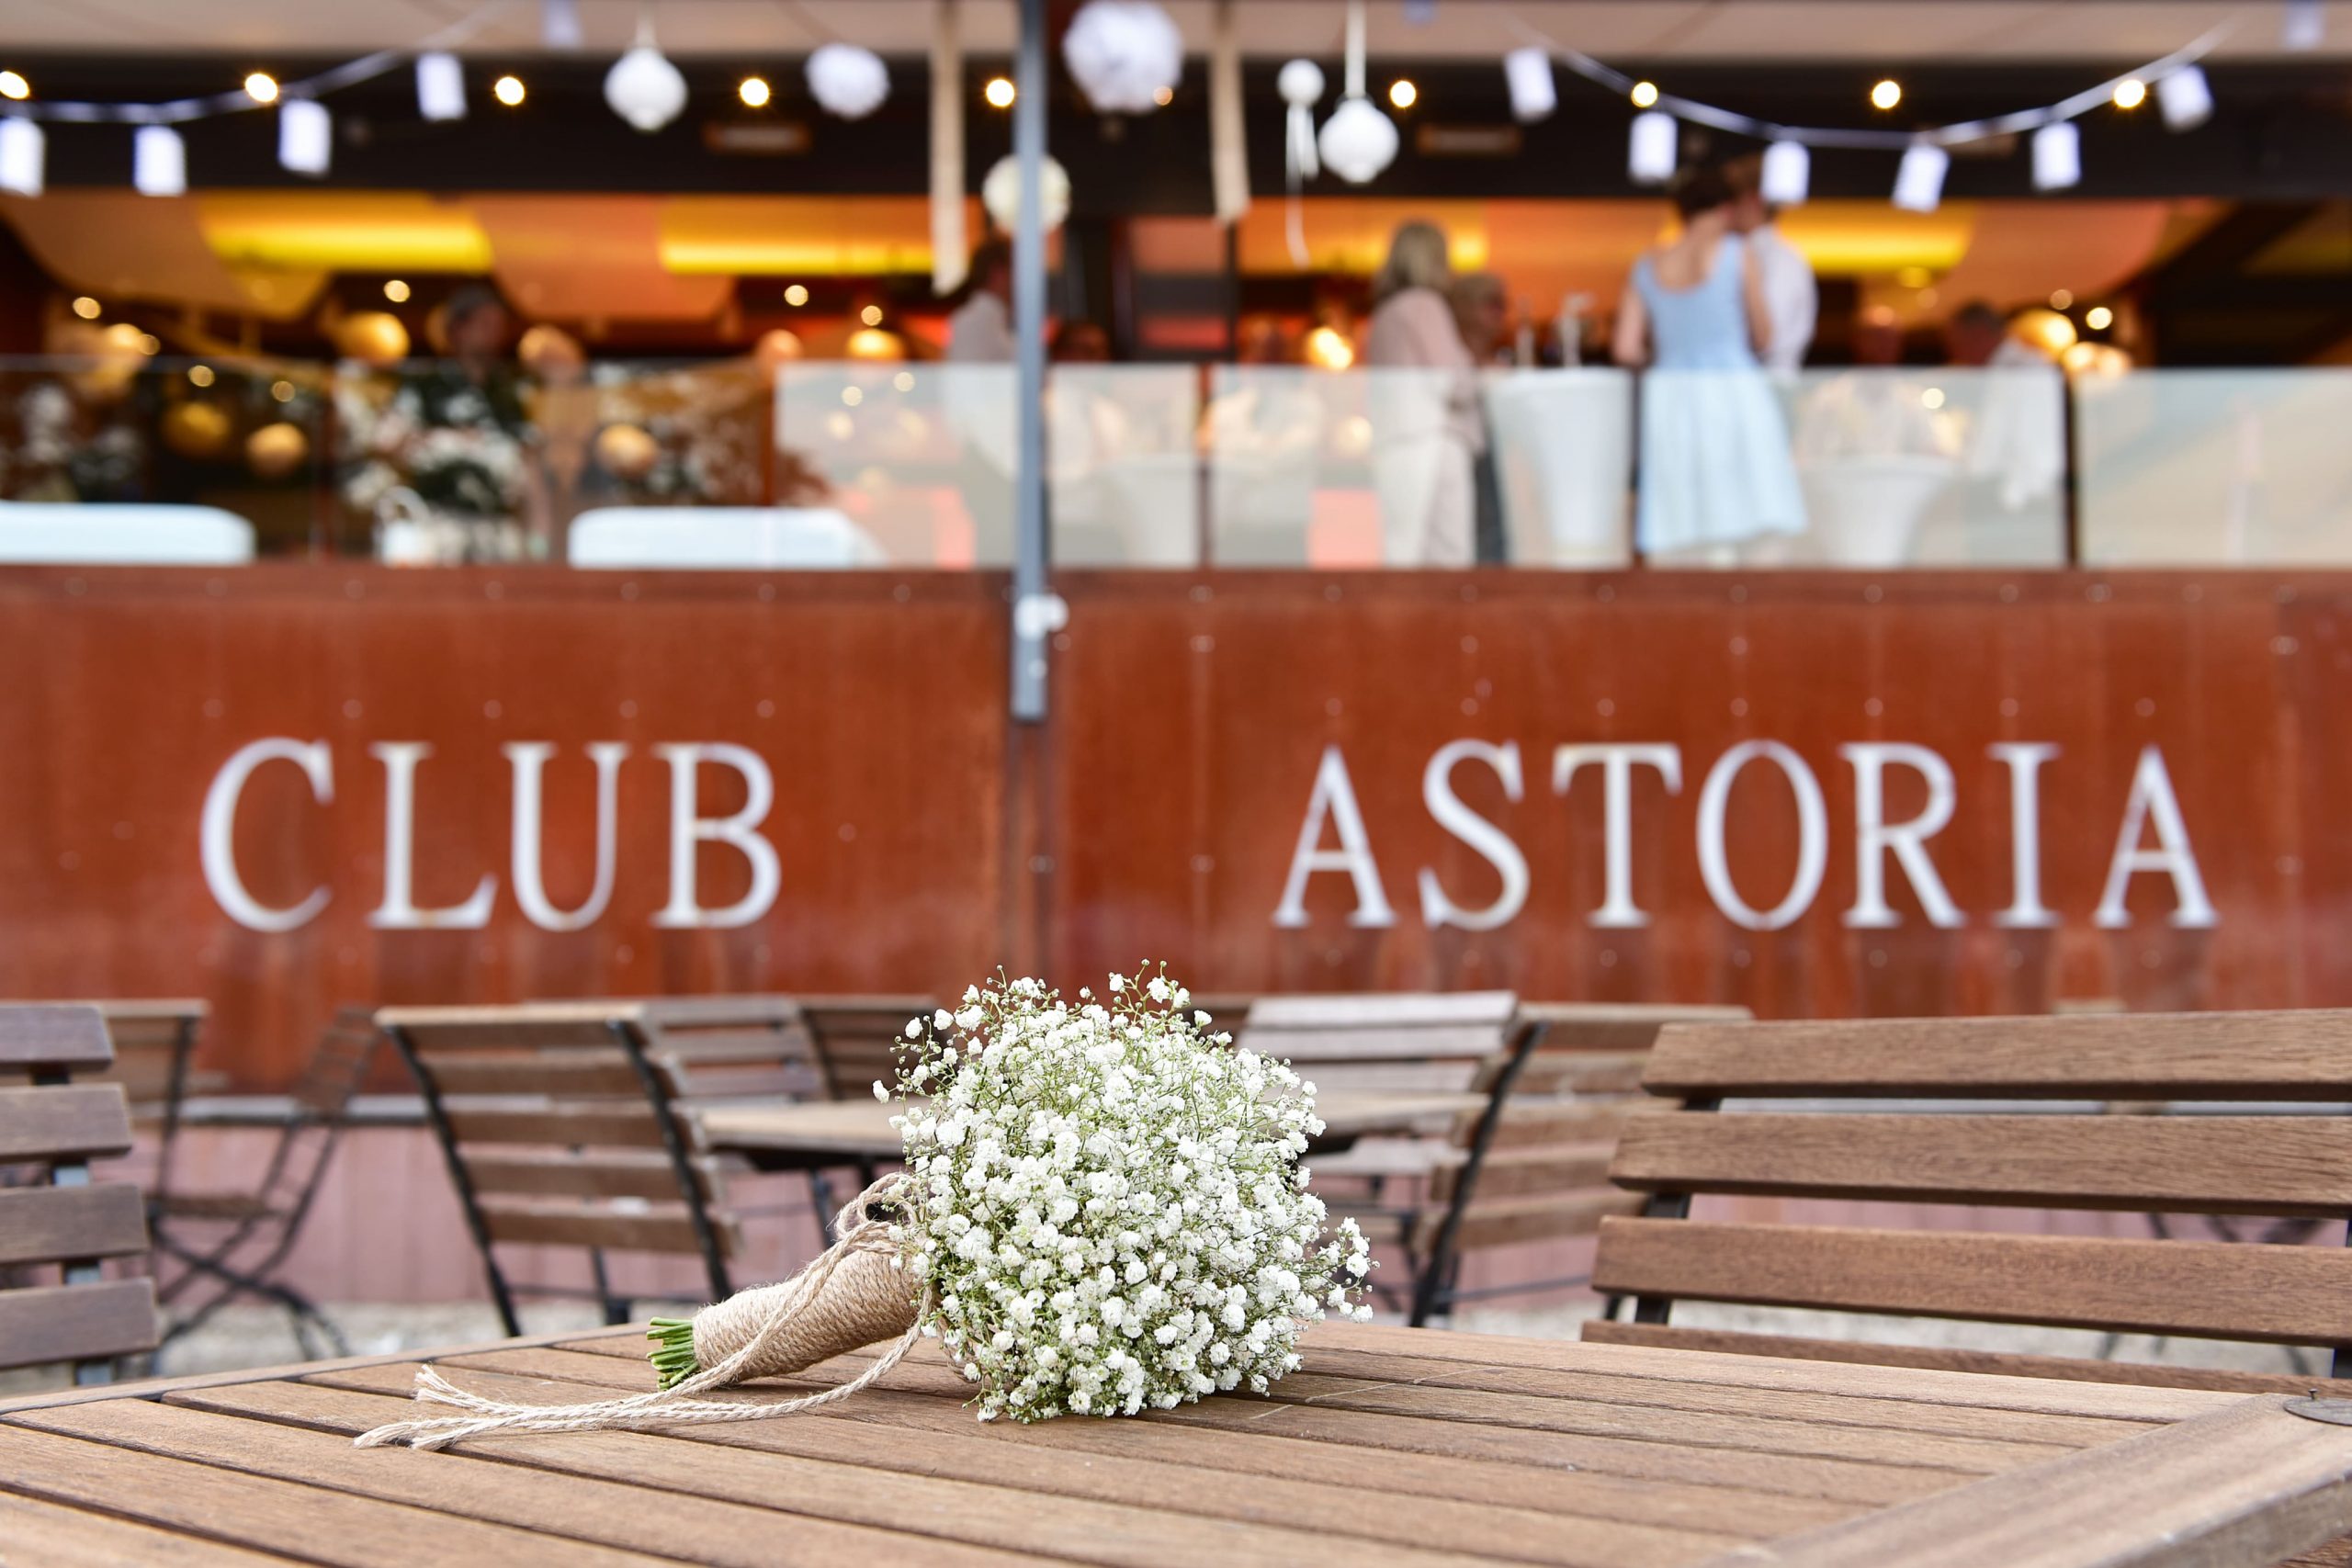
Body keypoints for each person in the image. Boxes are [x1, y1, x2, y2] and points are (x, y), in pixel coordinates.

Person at [1612, 167, 1806, 561]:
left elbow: (1625, 348)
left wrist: (1670, 355)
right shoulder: (1736, 252)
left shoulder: (1647, 265)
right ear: (1726, 209)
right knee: (1745, 509)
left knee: (1686, 513)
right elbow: (1764, 336)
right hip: (1733, 389)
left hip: (1671, 394)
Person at [1363, 220, 1483, 567]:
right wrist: (1479, 375)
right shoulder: (1424, 304)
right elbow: (1453, 383)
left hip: (1393, 441)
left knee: (1401, 549)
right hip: (1432, 439)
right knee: (1448, 555)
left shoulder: (1385, 314)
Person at [1724, 154, 1817, 377]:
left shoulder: (1780, 259)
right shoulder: (1743, 255)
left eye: (1731, 201)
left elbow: (1768, 337)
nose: (1724, 212)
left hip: (1767, 386)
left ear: (1753, 200)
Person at [1450, 272, 1513, 564]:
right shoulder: (1450, 355)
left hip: (1494, 451)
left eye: (1502, 304)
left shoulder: (1494, 358)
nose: (1500, 312)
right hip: (1464, 450)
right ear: (1466, 306)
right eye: (1491, 304)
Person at [944, 238, 1014, 363]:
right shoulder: (974, 322)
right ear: (998, 273)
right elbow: (965, 373)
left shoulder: (993, 320)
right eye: (1016, 270)